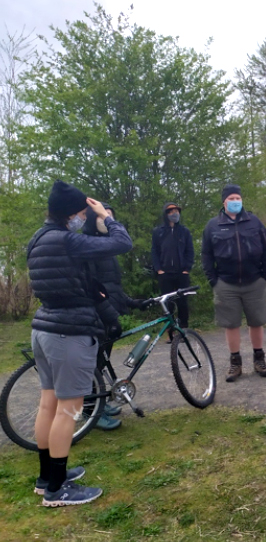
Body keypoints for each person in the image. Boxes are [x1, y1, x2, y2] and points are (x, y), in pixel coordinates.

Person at [27, 180, 132, 506]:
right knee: (69, 410)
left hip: (44, 328)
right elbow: (122, 243)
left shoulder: (39, 238)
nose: (84, 218)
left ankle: (47, 478)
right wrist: (106, 218)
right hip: (68, 332)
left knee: (48, 405)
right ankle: (58, 490)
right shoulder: (68, 241)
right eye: (82, 213)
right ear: (71, 213)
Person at [82, 203, 150, 430]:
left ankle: (98, 404)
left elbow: (112, 286)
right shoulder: (88, 246)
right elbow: (92, 288)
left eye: (111, 216)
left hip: (109, 315)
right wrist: (109, 316)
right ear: (93, 219)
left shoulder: (107, 247)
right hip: (97, 315)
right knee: (93, 363)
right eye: (103, 216)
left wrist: (132, 303)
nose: (107, 219)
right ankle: (91, 411)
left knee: (100, 363)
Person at [202, 184, 266, 381]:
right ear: (224, 201)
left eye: (237, 198)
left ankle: (259, 359)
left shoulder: (254, 222)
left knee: (256, 322)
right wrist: (213, 280)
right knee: (231, 324)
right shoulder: (213, 225)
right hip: (226, 283)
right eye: (231, 199)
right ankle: (235, 363)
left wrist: (265, 275)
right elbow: (206, 255)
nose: (235, 202)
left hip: (254, 281)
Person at [151, 202, 194, 334]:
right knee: (167, 304)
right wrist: (159, 270)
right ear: (166, 214)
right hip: (165, 274)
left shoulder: (184, 231)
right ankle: (170, 332)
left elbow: (190, 251)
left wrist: (187, 268)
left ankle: (184, 331)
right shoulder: (158, 232)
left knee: (183, 303)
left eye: (176, 211)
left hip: (182, 273)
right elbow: (154, 252)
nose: (174, 214)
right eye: (170, 211)